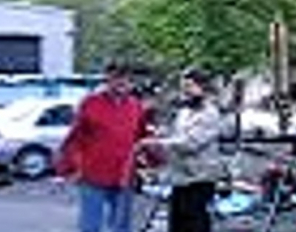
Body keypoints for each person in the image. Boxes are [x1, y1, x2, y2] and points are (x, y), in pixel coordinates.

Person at [56, 62, 150, 232]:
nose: (122, 82)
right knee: (90, 225)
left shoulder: (136, 106)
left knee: (121, 225)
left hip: (124, 175)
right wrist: (69, 167)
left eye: (126, 78)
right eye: (117, 77)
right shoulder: (90, 103)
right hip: (93, 175)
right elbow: (75, 137)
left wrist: (152, 161)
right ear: (108, 79)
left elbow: (142, 137)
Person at [157, 68, 227, 232]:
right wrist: (162, 133)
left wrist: (159, 143)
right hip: (180, 178)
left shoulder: (210, 113)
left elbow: (191, 143)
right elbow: (177, 135)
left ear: (202, 87)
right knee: (176, 224)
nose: (185, 91)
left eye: (189, 86)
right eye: (183, 87)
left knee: (196, 225)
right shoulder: (184, 112)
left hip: (199, 181)